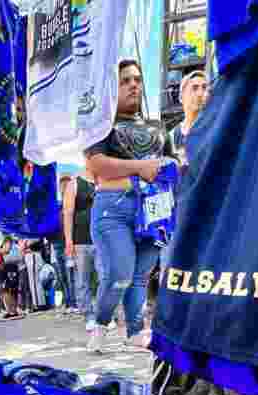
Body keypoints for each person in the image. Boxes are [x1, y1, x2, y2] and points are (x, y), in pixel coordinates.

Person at [84, 59, 177, 354]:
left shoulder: (157, 126)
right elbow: (96, 166)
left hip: (155, 209)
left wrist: (167, 166)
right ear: (113, 88)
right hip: (115, 208)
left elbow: (171, 163)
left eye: (136, 79)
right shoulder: (100, 123)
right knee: (120, 272)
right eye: (125, 80)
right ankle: (99, 324)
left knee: (139, 276)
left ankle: (136, 331)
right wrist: (142, 167)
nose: (133, 84)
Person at [62, 164, 99, 329]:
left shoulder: (104, 180)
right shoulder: (75, 183)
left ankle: (103, 314)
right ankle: (89, 316)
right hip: (81, 239)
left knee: (104, 277)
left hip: (102, 238)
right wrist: (68, 240)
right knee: (82, 280)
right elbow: (68, 212)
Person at [48, 176, 77, 313]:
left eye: (66, 186)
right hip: (57, 244)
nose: (64, 189)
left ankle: (74, 302)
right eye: (62, 187)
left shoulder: (74, 203)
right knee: (62, 276)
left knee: (71, 273)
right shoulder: (56, 206)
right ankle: (68, 301)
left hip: (69, 243)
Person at [171, 70, 210, 166]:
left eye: (204, 88)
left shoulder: (215, 129)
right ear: (181, 97)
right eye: (194, 88)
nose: (200, 93)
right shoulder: (172, 137)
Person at [0, 236, 22, 318]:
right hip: (9, 268)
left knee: (8, 290)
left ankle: (11, 310)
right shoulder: (14, 244)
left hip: (9, 268)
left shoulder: (9, 242)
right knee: (9, 290)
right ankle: (12, 310)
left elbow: (6, 251)